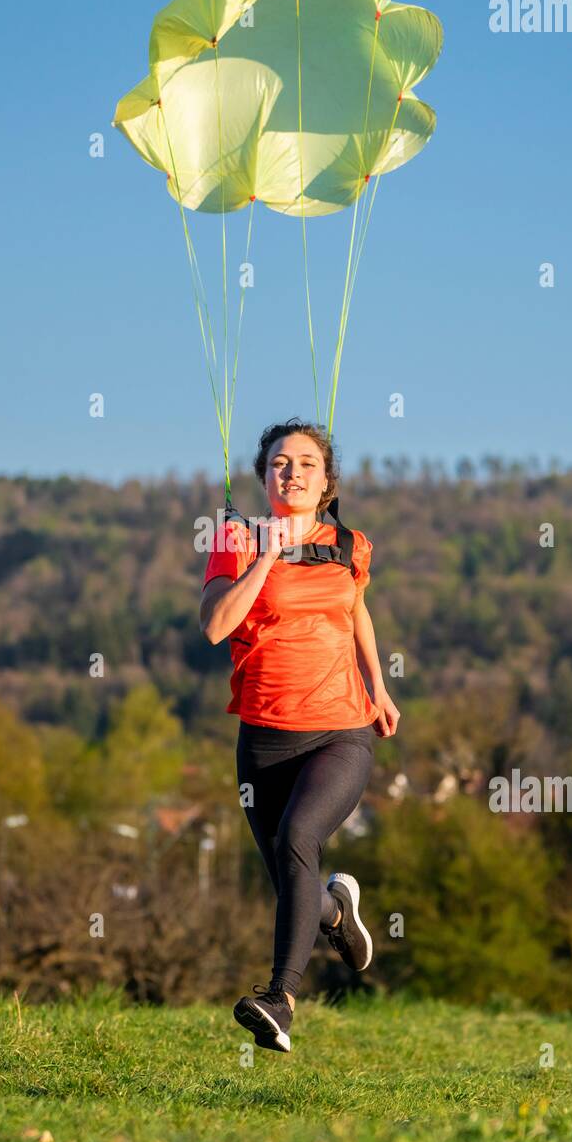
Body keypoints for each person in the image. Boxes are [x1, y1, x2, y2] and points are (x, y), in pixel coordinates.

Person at [199, 418, 400, 1053]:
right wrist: (267, 553)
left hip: (341, 728)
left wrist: (379, 686)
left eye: (307, 463)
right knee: (296, 882)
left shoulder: (350, 545)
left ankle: (279, 1001)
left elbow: (355, 610)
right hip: (263, 738)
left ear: (326, 480)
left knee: (298, 837)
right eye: (281, 463)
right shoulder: (233, 538)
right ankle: (336, 911)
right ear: (263, 479)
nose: (293, 472)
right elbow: (214, 626)